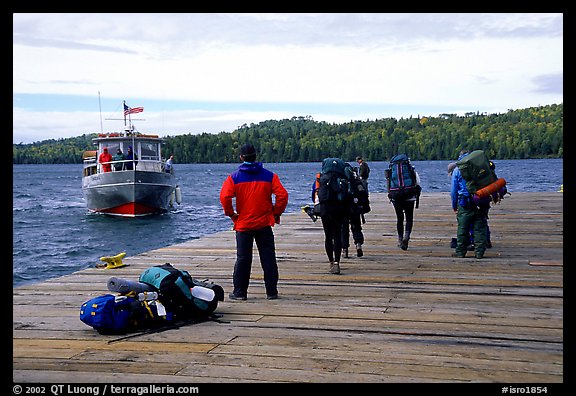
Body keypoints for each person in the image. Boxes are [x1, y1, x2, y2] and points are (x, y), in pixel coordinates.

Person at [219, 143, 289, 301]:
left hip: (244, 224)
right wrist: (276, 213)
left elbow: (224, 197)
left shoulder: (234, 177)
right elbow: (283, 196)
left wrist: (231, 214)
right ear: (256, 156)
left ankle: (240, 292)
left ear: (241, 158)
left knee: (243, 258)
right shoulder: (269, 176)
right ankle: (271, 292)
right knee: (268, 257)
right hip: (264, 223)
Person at [313, 158, 353, 274]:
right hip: (339, 209)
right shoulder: (343, 179)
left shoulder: (321, 178)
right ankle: (337, 262)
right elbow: (348, 195)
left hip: (325, 210)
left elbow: (315, 194)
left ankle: (331, 262)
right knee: (337, 235)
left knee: (328, 236)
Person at [450, 150, 488, 259]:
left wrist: (454, 205)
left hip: (464, 202)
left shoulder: (457, 170)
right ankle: (479, 253)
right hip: (480, 200)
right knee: (479, 228)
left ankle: (460, 252)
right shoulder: (480, 166)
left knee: (463, 228)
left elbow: (453, 191)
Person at [386, 155, 421, 250]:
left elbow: (388, 182)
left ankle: (400, 239)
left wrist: (390, 194)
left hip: (396, 196)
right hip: (409, 195)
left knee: (399, 218)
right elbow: (417, 182)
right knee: (409, 218)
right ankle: (407, 237)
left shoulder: (392, 169)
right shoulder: (410, 169)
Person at [341, 167, 365, 258]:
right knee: (356, 227)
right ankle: (358, 245)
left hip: (343, 209)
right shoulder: (355, 181)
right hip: (354, 208)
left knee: (344, 229)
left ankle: (345, 250)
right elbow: (363, 193)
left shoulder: (340, 181)